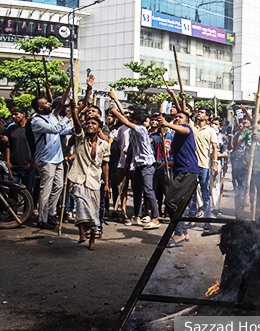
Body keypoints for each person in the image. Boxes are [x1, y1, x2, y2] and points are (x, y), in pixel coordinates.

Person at [109, 91, 161, 229]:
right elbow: (131, 147)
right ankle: (136, 216)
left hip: (147, 164)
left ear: (136, 120)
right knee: (137, 190)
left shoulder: (141, 129)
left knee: (148, 190)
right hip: (137, 164)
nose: (128, 118)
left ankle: (155, 218)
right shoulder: (131, 131)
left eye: (131, 117)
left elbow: (125, 120)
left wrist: (115, 111)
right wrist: (127, 162)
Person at [66, 100, 110, 250]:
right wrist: (74, 111)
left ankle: (92, 239)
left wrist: (107, 184)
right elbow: (77, 125)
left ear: (99, 128)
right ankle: (81, 232)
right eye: (88, 123)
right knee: (80, 203)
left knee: (94, 211)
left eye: (93, 123)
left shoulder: (104, 145)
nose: (90, 125)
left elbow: (105, 165)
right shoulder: (80, 138)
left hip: (95, 181)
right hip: (78, 178)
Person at [30, 86, 72, 230]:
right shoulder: (36, 121)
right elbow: (55, 130)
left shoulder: (52, 117)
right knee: (45, 190)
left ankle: (51, 213)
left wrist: (73, 129)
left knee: (59, 186)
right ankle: (42, 219)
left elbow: (60, 131)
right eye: (46, 104)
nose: (50, 104)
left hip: (58, 158)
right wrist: (68, 117)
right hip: (46, 160)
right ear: (40, 108)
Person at [158, 112, 198, 245]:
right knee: (178, 203)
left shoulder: (186, 129)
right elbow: (179, 160)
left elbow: (185, 129)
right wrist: (165, 164)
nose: (176, 119)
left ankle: (179, 232)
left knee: (170, 201)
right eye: (175, 117)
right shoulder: (177, 136)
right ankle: (184, 232)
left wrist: (167, 124)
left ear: (186, 121)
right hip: (182, 171)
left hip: (187, 172)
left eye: (180, 117)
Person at [238, 111, 260, 219]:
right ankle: (241, 217)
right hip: (246, 166)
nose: (254, 116)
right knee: (243, 193)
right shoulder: (248, 131)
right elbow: (235, 143)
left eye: (258, 114)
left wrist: (258, 138)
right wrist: (240, 131)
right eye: (253, 114)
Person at [191, 107, 218, 228]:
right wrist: (182, 99)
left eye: (202, 113)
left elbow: (215, 148)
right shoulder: (193, 127)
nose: (199, 114)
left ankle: (207, 220)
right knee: (191, 194)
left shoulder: (211, 131)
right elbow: (185, 112)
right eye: (199, 112)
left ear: (207, 117)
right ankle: (191, 219)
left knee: (205, 193)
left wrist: (215, 163)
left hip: (204, 165)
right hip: (192, 165)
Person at [5, 108, 35, 197]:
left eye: (16, 114)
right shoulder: (10, 129)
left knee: (28, 192)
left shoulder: (31, 128)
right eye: (12, 114)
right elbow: (8, 146)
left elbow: (36, 147)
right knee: (12, 192)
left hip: (28, 166)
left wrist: (32, 162)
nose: (14, 117)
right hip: (13, 166)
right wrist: (8, 161)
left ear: (23, 114)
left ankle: (29, 210)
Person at [231, 117, 251, 218]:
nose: (244, 122)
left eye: (246, 121)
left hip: (246, 164)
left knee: (243, 187)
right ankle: (238, 211)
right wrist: (238, 132)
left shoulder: (251, 133)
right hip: (236, 162)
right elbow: (233, 145)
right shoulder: (238, 133)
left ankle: (242, 213)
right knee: (237, 188)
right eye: (243, 121)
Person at [210, 117, 228, 216]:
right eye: (212, 123)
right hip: (205, 162)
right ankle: (202, 208)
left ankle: (215, 209)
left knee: (215, 185)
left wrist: (215, 155)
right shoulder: (207, 134)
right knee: (201, 186)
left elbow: (226, 153)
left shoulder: (222, 137)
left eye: (216, 124)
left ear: (220, 127)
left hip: (216, 163)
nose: (213, 126)